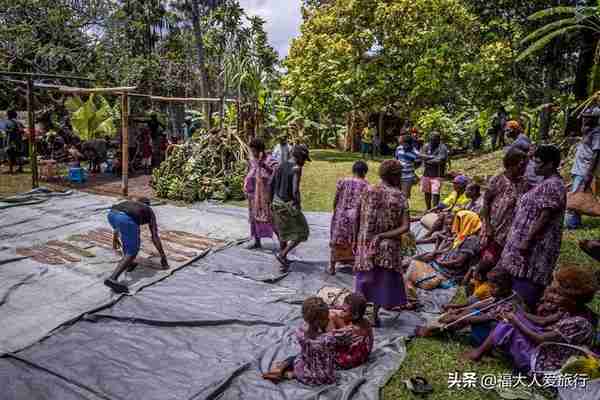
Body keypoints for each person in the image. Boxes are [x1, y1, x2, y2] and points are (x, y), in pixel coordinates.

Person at [463, 266, 598, 376]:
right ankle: (484, 350)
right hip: (550, 349)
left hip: (547, 365)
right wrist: (519, 312)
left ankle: (478, 353)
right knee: (511, 320)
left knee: (506, 324)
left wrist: (515, 320)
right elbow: (542, 321)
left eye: (558, 294)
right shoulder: (571, 310)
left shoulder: (579, 323)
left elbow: (541, 338)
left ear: (573, 299)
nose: (553, 297)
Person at [493, 145, 566, 311]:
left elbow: (544, 217)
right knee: (509, 290)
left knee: (523, 293)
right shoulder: (544, 182)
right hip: (522, 245)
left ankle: (517, 322)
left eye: (539, 162)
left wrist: (527, 240)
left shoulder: (554, 185)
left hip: (535, 249)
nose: (534, 166)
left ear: (551, 164)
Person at [354, 160, 413, 326]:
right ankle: (374, 315)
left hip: (366, 242)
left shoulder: (368, 190)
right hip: (388, 247)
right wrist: (383, 235)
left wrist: (356, 237)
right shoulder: (400, 197)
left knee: (364, 281)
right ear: (396, 176)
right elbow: (405, 227)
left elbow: (357, 216)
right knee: (381, 282)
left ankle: (359, 314)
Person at [262, 296, 352, 385]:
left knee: (297, 357)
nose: (328, 319)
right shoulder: (328, 339)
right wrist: (341, 328)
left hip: (305, 368)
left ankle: (279, 370)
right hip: (324, 375)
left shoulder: (299, 332)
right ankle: (289, 374)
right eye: (326, 318)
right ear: (318, 322)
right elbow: (346, 340)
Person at [479, 148, 530, 276]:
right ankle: (477, 277)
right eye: (521, 165)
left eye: (525, 165)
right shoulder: (498, 180)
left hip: (512, 229)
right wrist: (488, 225)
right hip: (495, 226)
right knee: (488, 257)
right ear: (511, 164)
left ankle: (493, 281)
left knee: (500, 257)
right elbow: (486, 202)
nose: (523, 168)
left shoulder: (524, 183)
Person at [105, 197, 169, 293]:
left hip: (111, 215)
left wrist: (115, 238)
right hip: (125, 219)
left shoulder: (129, 204)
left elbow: (118, 221)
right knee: (133, 250)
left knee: (127, 238)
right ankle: (113, 278)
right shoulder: (149, 211)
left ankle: (129, 263)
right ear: (148, 205)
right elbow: (154, 236)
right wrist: (163, 257)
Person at [270, 144, 311, 271]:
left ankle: (283, 263)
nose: (304, 162)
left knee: (283, 233)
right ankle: (282, 254)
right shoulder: (296, 168)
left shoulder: (280, 166)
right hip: (287, 204)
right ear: (298, 157)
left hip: (276, 203)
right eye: (304, 159)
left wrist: (269, 202)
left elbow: (271, 183)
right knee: (302, 232)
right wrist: (298, 203)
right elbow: (295, 190)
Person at [329, 161, 369, 275]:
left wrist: (335, 209)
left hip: (340, 214)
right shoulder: (366, 185)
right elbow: (365, 204)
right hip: (355, 217)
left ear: (353, 170)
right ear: (365, 172)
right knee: (353, 241)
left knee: (337, 240)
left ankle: (332, 266)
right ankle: (353, 264)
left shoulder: (343, 181)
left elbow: (336, 197)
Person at [565, 106, 600, 229]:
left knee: (576, 198)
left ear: (595, 119)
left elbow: (596, 154)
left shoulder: (597, 133)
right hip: (578, 169)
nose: (585, 119)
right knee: (577, 196)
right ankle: (574, 222)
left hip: (584, 170)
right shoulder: (588, 131)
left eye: (588, 118)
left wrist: (588, 175)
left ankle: (571, 224)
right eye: (584, 117)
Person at [244, 138, 279, 250]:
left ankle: (282, 242)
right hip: (253, 194)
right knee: (254, 218)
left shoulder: (270, 160)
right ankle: (257, 241)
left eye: (254, 150)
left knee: (270, 218)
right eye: (251, 150)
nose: (252, 153)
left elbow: (276, 174)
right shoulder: (252, 160)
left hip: (265, 195)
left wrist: (264, 166)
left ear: (260, 150)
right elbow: (250, 172)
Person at [328, 293, 374, 370]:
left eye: (344, 310)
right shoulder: (365, 321)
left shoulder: (349, 330)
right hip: (363, 354)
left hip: (347, 361)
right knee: (334, 315)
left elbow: (330, 339)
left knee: (330, 317)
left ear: (355, 315)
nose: (341, 312)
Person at [420, 133, 449, 209]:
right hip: (426, 174)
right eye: (431, 139)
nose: (432, 141)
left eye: (434, 140)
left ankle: (434, 209)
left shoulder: (442, 148)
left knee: (435, 193)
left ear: (439, 140)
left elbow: (440, 160)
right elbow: (421, 156)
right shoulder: (426, 146)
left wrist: (428, 160)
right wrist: (432, 157)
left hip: (437, 175)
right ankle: (428, 208)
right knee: (427, 192)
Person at [395, 134, 426, 199]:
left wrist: (411, 169)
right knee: (397, 192)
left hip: (408, 176)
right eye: (402, 144)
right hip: (398, 174)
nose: (403, 146)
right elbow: (396, 159)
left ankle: (405, 207)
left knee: (405, 194)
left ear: (409, 144)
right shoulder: (399, 148)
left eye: (404, 144)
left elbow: (419, 162)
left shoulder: (414, 152)